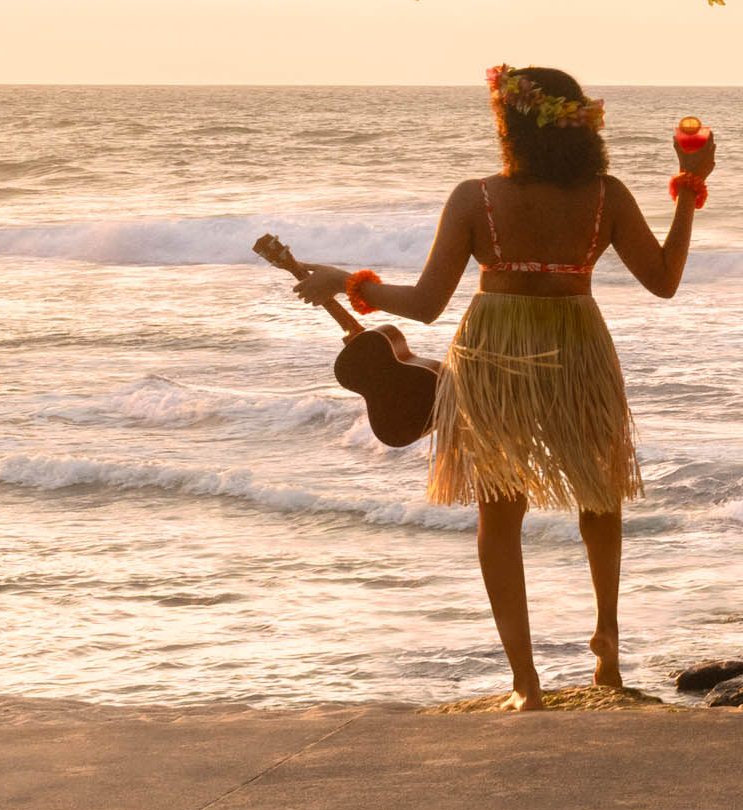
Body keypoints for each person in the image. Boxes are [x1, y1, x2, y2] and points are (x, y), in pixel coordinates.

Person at [282, 63, 702, 704]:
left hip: (493, 349)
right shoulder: (606, 196)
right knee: (600, 497)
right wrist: (689, 188)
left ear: (514, 127)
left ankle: (526, 684)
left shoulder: (475, 197)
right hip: (577, 344)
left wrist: (346, 281)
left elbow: (424, 304)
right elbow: (666, 279)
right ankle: (607, 653)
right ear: (580, 125)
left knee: (500, 514)